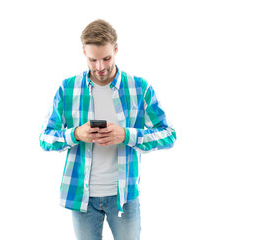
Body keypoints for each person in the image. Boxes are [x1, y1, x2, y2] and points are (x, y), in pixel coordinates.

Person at [39, 19, 176, 240]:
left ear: (116, 49)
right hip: (82, 197)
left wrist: (127, 135)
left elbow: (169, 135)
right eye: (93, 60)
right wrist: (75, 134)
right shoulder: (67, 88)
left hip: (124, 195)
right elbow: (45, 138)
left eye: (106, 58)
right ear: (83, 52)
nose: (100, 67)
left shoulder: (139, 88)